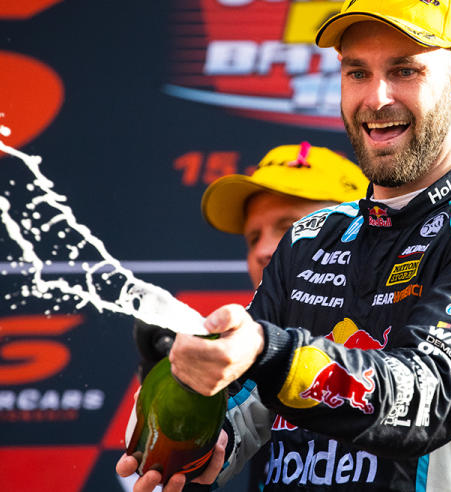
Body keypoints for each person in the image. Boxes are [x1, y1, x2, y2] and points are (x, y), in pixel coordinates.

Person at [119, 0, 451, 492]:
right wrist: (185, 395)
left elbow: (427, 398)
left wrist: (269, 350)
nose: (376, 98)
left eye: (405, 70)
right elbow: (240, 416)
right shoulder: (311, 237)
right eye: (357, 72)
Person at [131, 142, 368, 491]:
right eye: (252, 237)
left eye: (290, 227)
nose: (261, 251)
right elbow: (190, 471)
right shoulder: (242, 353)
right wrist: (175, 390)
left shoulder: (428, 319)